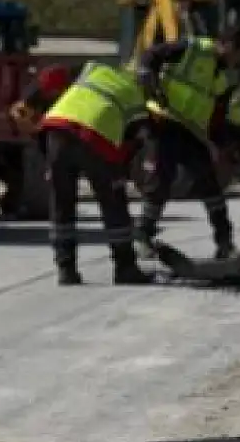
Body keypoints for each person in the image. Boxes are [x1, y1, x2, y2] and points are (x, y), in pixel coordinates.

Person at [134, 27, 240, 262]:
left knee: (210, 185)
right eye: (238, 55)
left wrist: (227, 146)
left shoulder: (222, 75)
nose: (237, 61)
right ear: (228, 46)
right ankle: (143, 239)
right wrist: (148, 77)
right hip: (165, 122)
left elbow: (217, 113)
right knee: (160, 182)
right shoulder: (192, 48)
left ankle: (225, 244)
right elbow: (150, 55)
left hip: (193, 132)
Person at [32, 61, 156, 285]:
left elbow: (55, 82)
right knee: (114, 203)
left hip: (56, 129)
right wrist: (121, 174)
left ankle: (66, 270)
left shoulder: (95, 70)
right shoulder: (136, 99)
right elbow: (133, 143)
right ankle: (125, 268)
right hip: (95, 139)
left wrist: (49, 162)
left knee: (61, 204)